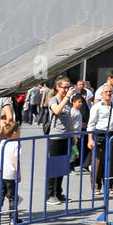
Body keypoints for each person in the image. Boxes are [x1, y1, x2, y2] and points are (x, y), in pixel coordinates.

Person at [87, 83, 113, 195]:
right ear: (101, 94)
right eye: (106, 92)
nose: (108, 93)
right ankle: (96, 186)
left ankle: (110, 185)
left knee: (112, 162)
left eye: (110, 92)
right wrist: (90, 139)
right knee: (98, 162)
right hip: (100, 134)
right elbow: (91, 124)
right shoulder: (96, 107)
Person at [44, 76, 74, 205]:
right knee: (54, 167)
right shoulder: (53, 99)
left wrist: (73, 135)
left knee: (62, 167)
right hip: (56, 137)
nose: (66, 89)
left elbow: (69, 119)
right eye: (64, 87)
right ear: (57, 87)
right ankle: (50, 195)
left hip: (66, 136)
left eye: (68, 87)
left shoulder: (67, 101)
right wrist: (67, 97)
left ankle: (58, 192)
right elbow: (56, 111)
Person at [0, 118, 21, 224]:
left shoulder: (2, 142)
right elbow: (16, 159)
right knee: (12, 197)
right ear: (15, 133)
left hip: (0, 173)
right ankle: (13, 218)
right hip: (11, 174)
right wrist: (18, 172)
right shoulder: (16, 144)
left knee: (0, 196)